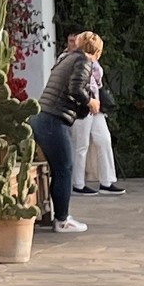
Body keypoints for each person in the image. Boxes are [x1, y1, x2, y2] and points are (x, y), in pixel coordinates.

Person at [32, 33, 100, 233]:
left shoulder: (68, 58)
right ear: (96, 52)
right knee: (65, 169)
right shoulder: (84, 61)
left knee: (60, 169)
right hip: (53, 120)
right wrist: (91, 102)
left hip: (42, 116)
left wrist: (83, 109)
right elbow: (76, 89)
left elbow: (67, 94)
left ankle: (60, 217)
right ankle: (62, 220)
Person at [71, 33, 125, 195]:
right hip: (83, 105)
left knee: (104, 139)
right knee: (81, 145)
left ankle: (107, 181)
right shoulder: (78, 61)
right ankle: (78, 184)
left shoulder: (92, 62)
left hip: (96, 105)